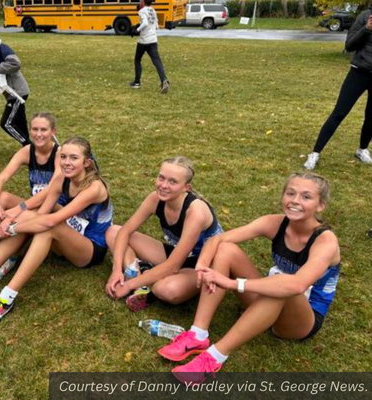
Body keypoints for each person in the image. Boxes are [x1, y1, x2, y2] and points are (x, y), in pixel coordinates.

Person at [160, 172, 340, 383]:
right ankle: (198, 334)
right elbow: (218, 239)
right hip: (268, 301)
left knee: (281, 286)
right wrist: (202, 266)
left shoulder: (325, 242)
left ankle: (214, 357)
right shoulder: (275, 223)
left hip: (302, 319)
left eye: (306, 197)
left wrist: (233, 283)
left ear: (321, 205)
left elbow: (297, 285)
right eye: (290, 193)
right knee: (226, 249)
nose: (295, 201)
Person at [0, 137, 113, 330]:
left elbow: (50, 221)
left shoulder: (94, 187)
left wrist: (10, 228)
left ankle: (6, 298)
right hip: (67, 237)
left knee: (45, 228)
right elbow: (40, 214)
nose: (66, 162)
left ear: (86, 162)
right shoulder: (61, 179)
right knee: (30, 218)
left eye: (74, 158)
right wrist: (17, 220)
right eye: (63, 157)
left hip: (89, 249)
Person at [105, 157, 223, 311]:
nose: (163, 185)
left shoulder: (196, 212)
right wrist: (116, 271)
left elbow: (173, 266)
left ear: (186, 187)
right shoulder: (155, 198)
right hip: (177, 254)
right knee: (113, 232)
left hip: (203, 266)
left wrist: (128, 285)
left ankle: (145, 279)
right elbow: (125, 232)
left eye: (173, 182)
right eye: (161, 178)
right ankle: (142, 276)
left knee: (167, 289)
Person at [0, 112, 63, 282]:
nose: (38, 134)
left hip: (56, 207)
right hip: (34, 203)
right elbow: (1, 178)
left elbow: (51, 191)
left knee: (24, 215)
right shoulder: (27, 151)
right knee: (3, 198)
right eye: (34, 129)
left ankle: (11, 257)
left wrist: (19, 209)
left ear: (53, 132)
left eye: (44, 129)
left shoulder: (60, 154)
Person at [303, 5, 372, 170]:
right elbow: (349, 45)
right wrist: (367, 28)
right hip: (359, 73)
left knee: (371, 117)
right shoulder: (365, 16)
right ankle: (315, 153)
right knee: (339, 113)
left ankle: (362, 150)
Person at [129, 0, 169, 94]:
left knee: (137, 60)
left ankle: (137, 82)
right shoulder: (153, 11)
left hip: (143, 40)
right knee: (157, 61)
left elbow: (145, 23)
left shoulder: (142, 11)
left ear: (143, 2)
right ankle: (163, 80)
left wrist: (137, 30)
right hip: (153, 40)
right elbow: (156, 26)